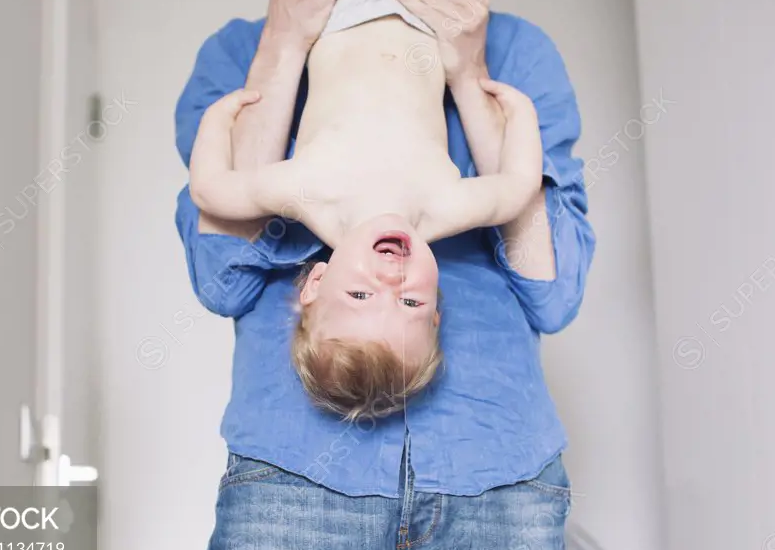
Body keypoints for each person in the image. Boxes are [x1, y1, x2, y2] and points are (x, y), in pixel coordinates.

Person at [172, 0, 596, 550]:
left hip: (495, 476)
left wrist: (468, 74)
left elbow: (555, 294)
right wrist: (282, 46)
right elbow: (222, 277)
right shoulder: (238, 53)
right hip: (297, 476)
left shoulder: (515, 52)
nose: (393, 279)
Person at [188, 49, 542, 420]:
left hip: (342, 17)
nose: (391, 279)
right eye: (410, 303)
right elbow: (518, 187)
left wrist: (215, 121)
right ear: (436, 310)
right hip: (423, 29)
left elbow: (210, 190)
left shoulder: (308, 193)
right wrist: (522, 115)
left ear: (316, 282)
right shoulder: (445, 207)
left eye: (360, 294)